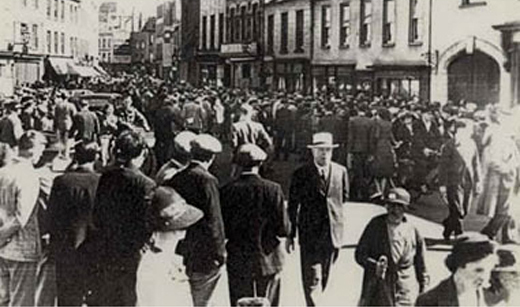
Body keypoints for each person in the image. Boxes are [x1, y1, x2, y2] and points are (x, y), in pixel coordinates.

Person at [86, 131, 156, 306]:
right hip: (131, 249)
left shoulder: (106, 176)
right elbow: (147, 220)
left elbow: (97, 214)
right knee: (128, 295)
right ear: (141, 154)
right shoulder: (145, 183)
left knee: (108, 295)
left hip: (107, 245)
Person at [220, 144, 289, 306]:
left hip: (239, 258)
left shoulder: (226, 190)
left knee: (241, 302)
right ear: (260, 164)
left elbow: (224, 229)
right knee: (268, 302)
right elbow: (283, 228)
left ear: (237, 164)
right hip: (269, 258)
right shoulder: (273, 190)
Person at [287, 132, 349, 306]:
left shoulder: (341, 171)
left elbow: (343, 198)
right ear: (312, 152)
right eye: (320, 150)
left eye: (328, 150)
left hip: (332, 234)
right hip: (310, 233)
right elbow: (292, 205)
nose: (324, 153)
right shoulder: (301, 173)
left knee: (325, 277)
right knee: (312, 277)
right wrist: (291, 234)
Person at [164, 134, 226, 307]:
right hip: (204, 249)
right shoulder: (208, 180)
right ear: (212, 157)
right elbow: (214, 218)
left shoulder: (177, 178)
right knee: (205, 299)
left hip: (182, 246)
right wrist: (220, 251)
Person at [47, 142, 101, 306]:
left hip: (66, 247)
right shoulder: (102, 182)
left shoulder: (62, 181)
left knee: (67, 296)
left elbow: (52, 216)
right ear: (96, 157)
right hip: (95, 248)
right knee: (95, 296)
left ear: (74, 157)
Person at [355, 188, 429, 306]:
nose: (394, 210)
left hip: (404, 291)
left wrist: (424, 288)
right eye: (390, 206)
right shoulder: (375, 225)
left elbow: (421, 264)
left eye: (399, 206)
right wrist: (375, 266)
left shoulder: (412, 231)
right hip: (378, 289)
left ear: (405, 209)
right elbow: (359, 254)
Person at [0, 131, 47, 306]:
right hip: (22, 250)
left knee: (3, 300)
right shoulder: (29, 175)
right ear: (33, 150)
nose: (41, 154)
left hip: (2, 250)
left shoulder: (3, 172)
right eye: (41, 149)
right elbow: (21, 218)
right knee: (21, 302)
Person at [136, 186, 204, 306]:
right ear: (176, 230)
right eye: (183, 227)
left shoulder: (165, 257)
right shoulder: (154, 267)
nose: (184, 233)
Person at [416, 233, 498, 306]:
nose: (484, 278)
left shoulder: (488, 297)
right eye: (478, 270)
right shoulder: (430, 301)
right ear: (460, 265)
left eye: (488, 270)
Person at [438, 119, 481, 240]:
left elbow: (476, 163)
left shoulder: (472, 144)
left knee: (465, 209)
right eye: (466, 130)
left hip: (468, 179)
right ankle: (459, 234)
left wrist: (478, 180)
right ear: (458, 130)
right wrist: (442, 184)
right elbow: (442, 167)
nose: (469, 132)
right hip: (453, 181)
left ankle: (448, 225)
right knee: (457, 208)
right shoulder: (449, 145)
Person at [347, 106, 374, 201]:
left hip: (356, 149)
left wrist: (349, 152)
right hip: (366, 150)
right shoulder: (370, 121)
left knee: (357, 172)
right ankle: (364, 193)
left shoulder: (353, 121)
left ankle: (354, 193)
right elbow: (371, 138)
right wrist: (371, 152)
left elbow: (351, 137)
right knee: (364, 172)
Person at [153, 95, 184, 168]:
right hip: (168, 132)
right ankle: (167, 162)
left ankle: (159, 162)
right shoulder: (173, 111)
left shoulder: (159, 111)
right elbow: (178, 121)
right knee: (168, 147)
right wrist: (182, 128)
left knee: (159, 147)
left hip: (159, 132)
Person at [54, 93, 77, 158]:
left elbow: (55, 116)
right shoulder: (71, 105)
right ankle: (66, 154)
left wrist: (55, 124)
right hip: (68, 123)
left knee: (60, 139)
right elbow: (74, 115)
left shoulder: (58, 105)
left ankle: (60, 153)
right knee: (67, 139)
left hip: (59, 123)